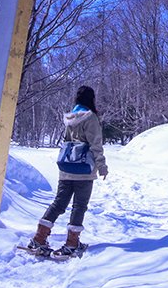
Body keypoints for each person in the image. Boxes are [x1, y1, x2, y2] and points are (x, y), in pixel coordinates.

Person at [27, 85, 108, 257]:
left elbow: (66, 141)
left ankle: (39, 238)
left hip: (66, 168)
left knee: (59, 203)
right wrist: (102, 166)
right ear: (91, 99)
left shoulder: (70, 118)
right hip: (84, 169)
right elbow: (95, 144)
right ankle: (72, 243)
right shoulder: (91, 118)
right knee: (79, 206)